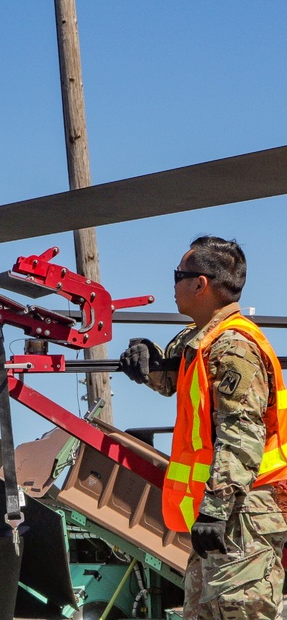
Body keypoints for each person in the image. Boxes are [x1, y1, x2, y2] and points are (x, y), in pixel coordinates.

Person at [118, 236, 287, 619]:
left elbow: (241, 435)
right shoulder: (204, 340)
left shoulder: (233, 347)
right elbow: (178, 382)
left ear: (200, 284)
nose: (173, 284)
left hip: (242, 514)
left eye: (179, 275)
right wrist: (148, 363)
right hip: (225, 514)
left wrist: (215, 509)